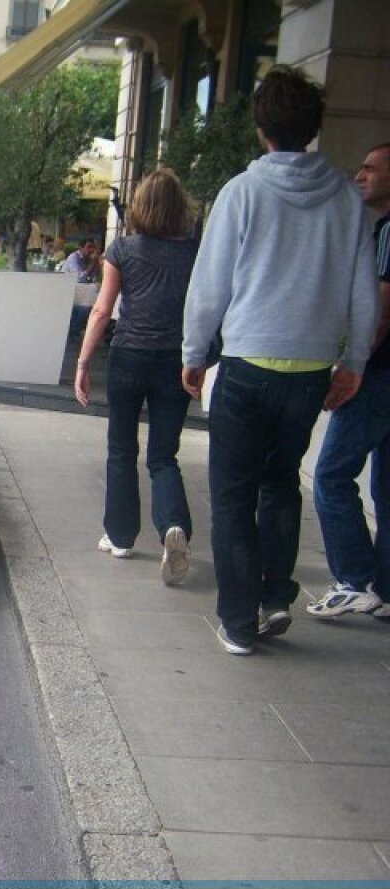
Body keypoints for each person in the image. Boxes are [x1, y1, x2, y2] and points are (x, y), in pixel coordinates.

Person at [181, 66, 378, 656]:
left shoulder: (242, 192)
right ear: (313, 128)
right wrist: (354, 362)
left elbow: (209, 285)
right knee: (280, 484)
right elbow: (363, 291)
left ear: (261, 127)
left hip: (245, 364)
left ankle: (239, 623)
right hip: (311, 370)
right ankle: (274, 596)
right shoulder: (347, 198)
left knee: (233, 494)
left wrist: (194, 353)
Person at [74, 169, 200, 585]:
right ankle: (173, 527)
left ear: (140, 206)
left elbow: (102, 310)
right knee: (164, 454)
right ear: (181, 208)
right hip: (175, 361)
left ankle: (120, 535)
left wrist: (82, 362)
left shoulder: (122, 250)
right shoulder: (194, 253)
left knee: (121, 449)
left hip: (128, 356)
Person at [307, 143, 390, 619]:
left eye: (372, 169)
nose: (360, 175)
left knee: (331, 475)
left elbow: (380, 308)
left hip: (378, 375)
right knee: (385, 486)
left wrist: (352, 367)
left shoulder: (389, 233)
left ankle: (353, 578)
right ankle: (382, 585)